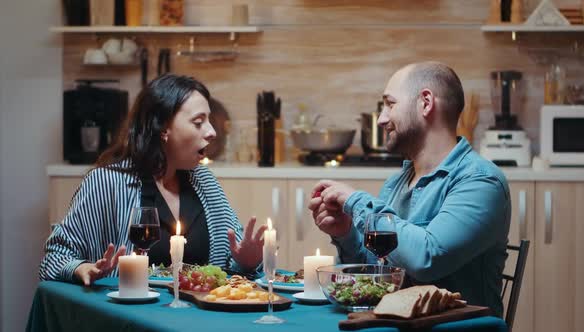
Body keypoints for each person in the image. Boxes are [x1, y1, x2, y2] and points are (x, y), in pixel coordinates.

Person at [308, 61, 510, 317]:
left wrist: (356, 201)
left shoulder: (480, 182)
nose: (382, 119)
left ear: (426, 102)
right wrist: (346, 232)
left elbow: (427, 258)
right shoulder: (397, 183)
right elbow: (378, 272)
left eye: (390, 104)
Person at [40, 74, 265, 286]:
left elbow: (234, 271)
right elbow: (54, 258)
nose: (212, 132)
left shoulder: (204, 181)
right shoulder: (107, 182)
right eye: (198, 122)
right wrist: (83, 268)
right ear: (163, 128)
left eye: (209, 121)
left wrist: (247, 261)